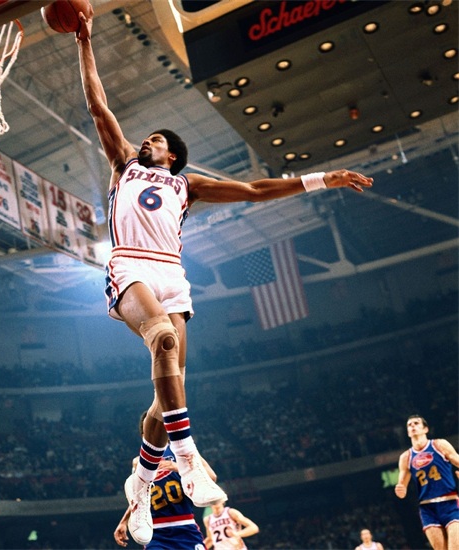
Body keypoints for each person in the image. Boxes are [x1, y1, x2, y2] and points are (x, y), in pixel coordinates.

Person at [75, 8, 373, 546]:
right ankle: (188, 458)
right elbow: (98, 104)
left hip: (173, 274)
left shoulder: (187, 186)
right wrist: (84, 39)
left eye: (156, 140)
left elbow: (256, 190)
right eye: (147, 138)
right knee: (163, 339)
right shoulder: (123, 165)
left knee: (165, 402)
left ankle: (139, 486)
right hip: (131, 263)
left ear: (173, 155)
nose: (147, 141)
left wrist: (321, 179)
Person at [114, 411, 213, 549]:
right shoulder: (138, 462)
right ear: (143, 435)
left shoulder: (181, 450)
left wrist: (176, 467)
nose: (155, 431)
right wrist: (124, 521)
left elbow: (211, 477)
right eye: (151, 428)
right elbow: (138, 497)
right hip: (156, 532)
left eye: (158, 426)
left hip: (185, 524)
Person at [395, 415, 459, 550]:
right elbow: (402, 490)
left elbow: (457, 460)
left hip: (450, 502)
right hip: (427, 508)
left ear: (425, 429)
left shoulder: (439, 444)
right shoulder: (406, 457)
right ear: (408, 433)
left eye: (416, 423)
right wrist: (400, 490)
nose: (412, 426)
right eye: (409, 425)